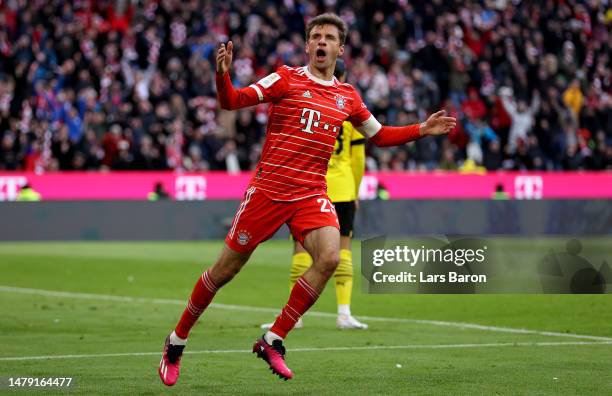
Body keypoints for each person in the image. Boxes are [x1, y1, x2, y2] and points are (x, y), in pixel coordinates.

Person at [158, 13, 456, 385]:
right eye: (316, 36)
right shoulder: (286, 78)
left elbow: (379, 136)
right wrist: (222, 75)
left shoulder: (347, 97)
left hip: (310, 194)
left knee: (330, 256)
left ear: (340, 48)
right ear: (307, 44)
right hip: (268, 191)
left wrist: (422, 130)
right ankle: (176, 341)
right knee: (224, 272)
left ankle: (274, 338)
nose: (321, 42)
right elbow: (232, 101)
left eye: (329, 37)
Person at [261, 59, 368, 331]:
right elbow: (358, 160)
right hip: (342, 188)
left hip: (311, 187)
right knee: (343, 250)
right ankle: (344, 312)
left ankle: (294, 316)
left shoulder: (312, 103)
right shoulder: (350, 110)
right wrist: (354, 191)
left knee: (300, 250)